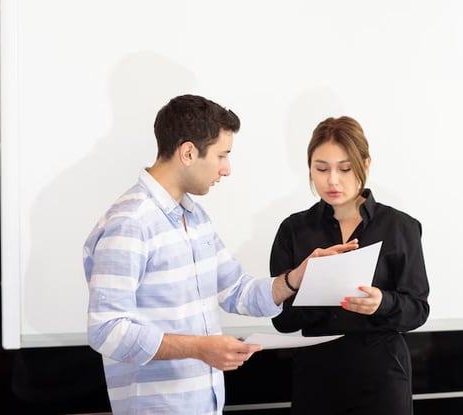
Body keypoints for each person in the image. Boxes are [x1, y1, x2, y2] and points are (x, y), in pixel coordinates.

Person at [82, 94, 358, 415]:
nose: (226, 169)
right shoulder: (130, 222)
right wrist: (201, 349)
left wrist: (296, 277)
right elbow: (107, 330)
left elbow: (237, 292)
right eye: (222, 155)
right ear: (188, 152)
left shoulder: (195, 218)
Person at [270, 115, 430, 415]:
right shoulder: (294, 230)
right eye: (321, 169)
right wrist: (316, 290)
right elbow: (281, 320)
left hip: (381, 377)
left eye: (344, 169)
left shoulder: (400, 227)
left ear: (365, 165)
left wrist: (382, 303)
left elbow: (418, 309)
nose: (332, 180)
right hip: (316, 378)